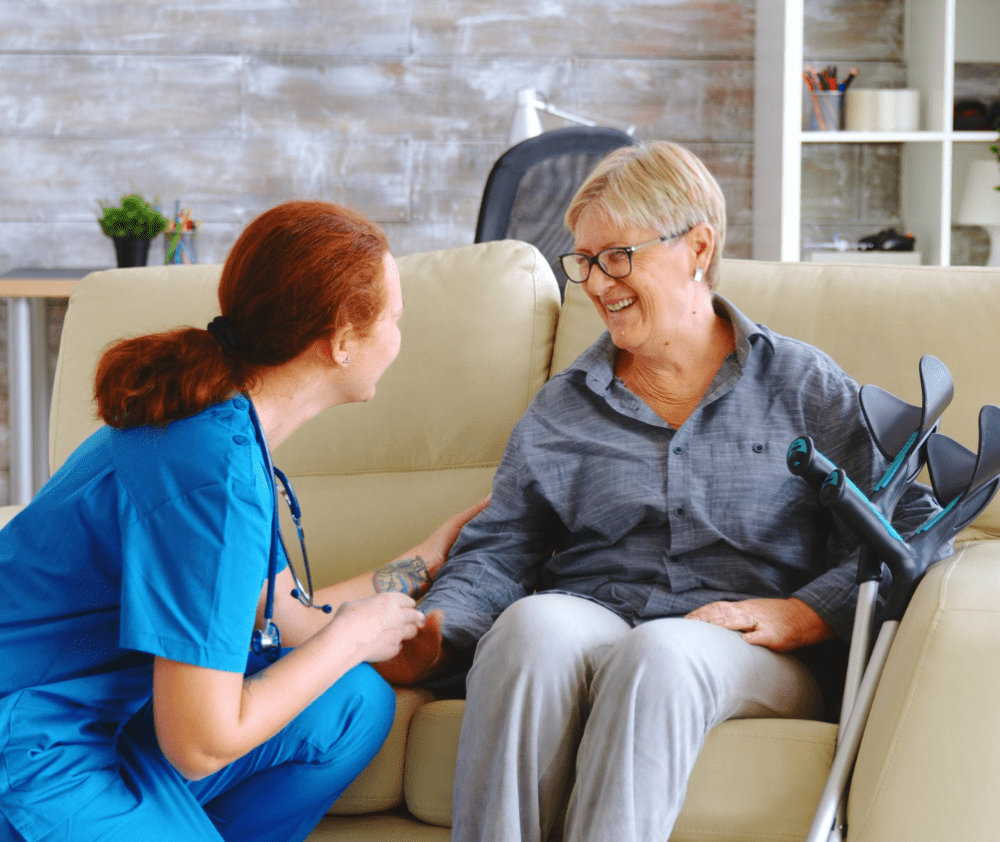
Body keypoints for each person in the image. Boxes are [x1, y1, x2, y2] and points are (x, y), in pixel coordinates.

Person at [378, 142, 949, 842]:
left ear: (697, 247)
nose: (596, 284)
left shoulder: (802, 386)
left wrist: (801, 614)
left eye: (617, 256)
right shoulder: (564, 407)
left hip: (754, 652)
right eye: (584, 261)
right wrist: (438, 635)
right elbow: (500, 549)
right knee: (529, 628)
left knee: (662, 653)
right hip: (599, 614)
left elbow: (910, 524)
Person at [0, 201, 486, 842]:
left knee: (352, 704)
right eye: (394, 319)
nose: (398, 336)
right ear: (341, 341)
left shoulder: (222, 427)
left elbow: (287, 612)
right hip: (28, 736)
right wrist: (350, 640)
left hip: (102, 714)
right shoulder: (212, 478)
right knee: (335, 672)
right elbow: (199, 745)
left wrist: (427, 557)